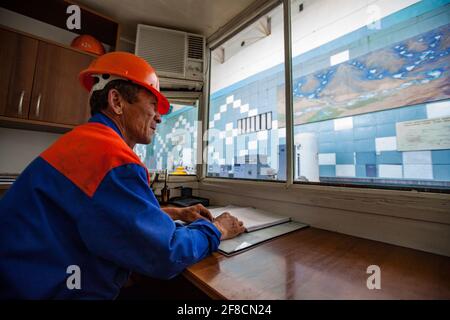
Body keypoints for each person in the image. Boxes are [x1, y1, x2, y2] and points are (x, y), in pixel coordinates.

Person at [0, 52, 245, 299]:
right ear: (116, 101)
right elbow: (166, 254)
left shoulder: (84, 142)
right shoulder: (113, 159)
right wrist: (217, 229)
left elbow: (101, 213)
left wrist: (177, 213)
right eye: (152, 103)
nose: (159, 117)